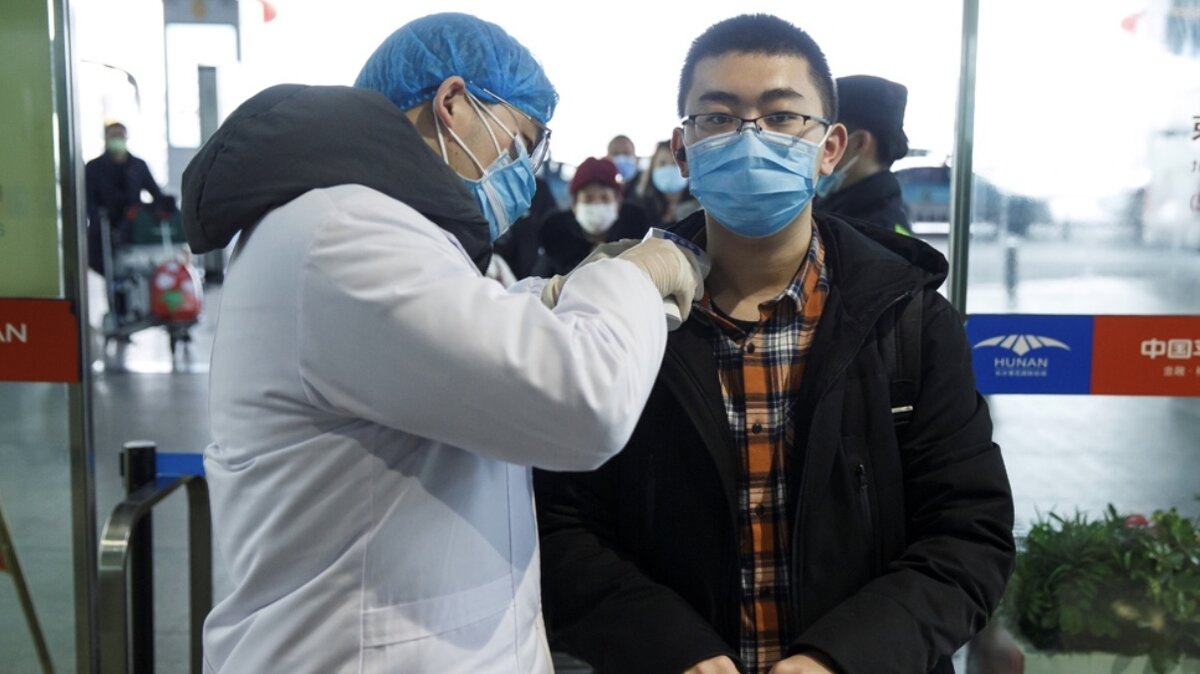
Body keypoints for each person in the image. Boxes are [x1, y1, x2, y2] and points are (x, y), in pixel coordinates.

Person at [182, 13, 702, 674]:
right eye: (521, 143)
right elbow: (583, 398)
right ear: (452, 103)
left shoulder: (386, 227)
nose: (526, 174)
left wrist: (550, 296)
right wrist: (635, 276)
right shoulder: (341, 232)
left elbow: (461, 333)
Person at [535, 13, 1015, 674]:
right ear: (683, 149)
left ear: (830, 148)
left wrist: (838, 659)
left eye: (782, 116)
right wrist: (672, 648)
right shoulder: (616, 318)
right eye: (718, 117)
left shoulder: (909, 322)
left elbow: (968, 535)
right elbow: (561, 526)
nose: (749, 138)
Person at [813, 75, 913, 235]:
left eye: (828, 139)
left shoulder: (882, 235)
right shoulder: (840, 209)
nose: (819, 149)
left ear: (859, 142)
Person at [533, 156, 652, 277]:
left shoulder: (637, 249)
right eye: (588, 199)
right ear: (574, 205)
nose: (597, 205)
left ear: (618, 203)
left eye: (605, 198)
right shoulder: (555, 249)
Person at [84, 122, 170, 273]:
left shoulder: (138, 166)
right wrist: (97, 215)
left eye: (120, 136)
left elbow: (156, 193)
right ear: (106, 138)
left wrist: (157, 209)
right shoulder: (93, 167)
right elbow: (88, 200)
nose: (117, 139)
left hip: (132, 227)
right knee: (104, 266)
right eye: (113, 136)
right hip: (103, 228)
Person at [629, 140, 701, 226]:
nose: (669, 168)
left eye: (675, 163)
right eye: (662, 164)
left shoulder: (701, 209)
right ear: (652, 168)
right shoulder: (638, 209)